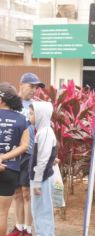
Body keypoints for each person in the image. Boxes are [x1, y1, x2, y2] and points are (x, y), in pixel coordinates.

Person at [7, 73, 44, 236]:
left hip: (30, 154)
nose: (34, 90)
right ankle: (18, 226)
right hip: (14, 154)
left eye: (36, 87)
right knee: (16, 193)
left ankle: (28, 230)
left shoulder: (37, 106)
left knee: (27, 193)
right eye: (32, 86)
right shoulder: (11, 105)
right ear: (21, 84)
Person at [0, 82, 29, 236]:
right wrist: (3, 157)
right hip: (10, 170)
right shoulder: (21, 119)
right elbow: (24, 146)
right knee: (2, 214)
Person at [28, 101, 57, 235]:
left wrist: (37, 182)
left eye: (32, 113)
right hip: (40, 178)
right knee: (39, 211)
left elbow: (42, 160)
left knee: (42, 213)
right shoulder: (43, 131)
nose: (29, 116)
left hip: (41, 179)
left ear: (41, 115)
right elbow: (46, 155)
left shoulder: (44, 132)